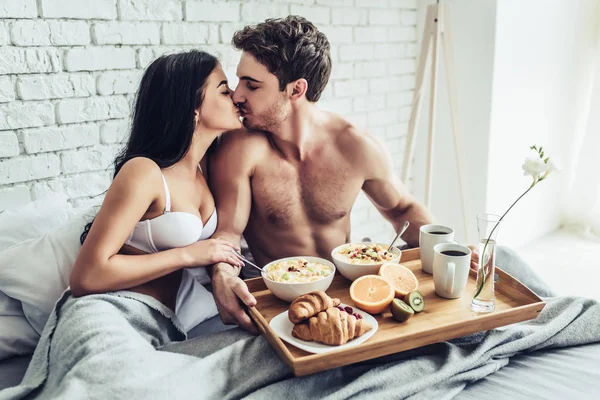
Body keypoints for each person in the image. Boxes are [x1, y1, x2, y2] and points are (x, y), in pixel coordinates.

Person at [207, 16, 555, 335]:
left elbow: (402, 208)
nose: (237, 95)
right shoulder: (240, 149)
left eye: (251, 86)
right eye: (239, 81)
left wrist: (447, 251)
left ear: (296, 89)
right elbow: (228, 233)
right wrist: (222, 273)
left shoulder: (354, 145)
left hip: (352, 295)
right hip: (281, 299)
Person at [72, 49, 244, 332]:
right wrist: (189, 255)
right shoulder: (144, 172)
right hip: (116, 312)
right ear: (193, 106)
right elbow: (86, 276)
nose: (237, 96)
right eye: (224, 90)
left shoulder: (205, 168)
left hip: (167, 322)